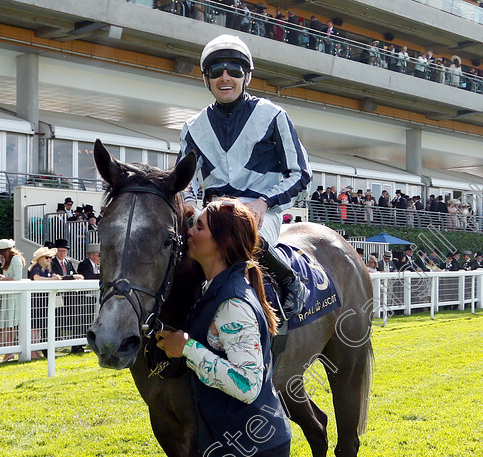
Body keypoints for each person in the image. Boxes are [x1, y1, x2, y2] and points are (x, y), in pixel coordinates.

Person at [177, 34, 312, 318]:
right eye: (216, 71)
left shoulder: (274, 116)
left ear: (246, 76)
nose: (225, 77)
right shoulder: (192, 127)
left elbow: (301, 173)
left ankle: (290, 281)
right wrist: (190, 206)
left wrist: (264, 202)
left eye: (234, 70)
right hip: (211, 212)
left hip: (262, 210)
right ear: (207, 79)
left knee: (242, 237)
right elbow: (185, 180)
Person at [156, 199, 292, 456]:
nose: (190, 232)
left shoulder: (232, 303)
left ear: (224, 242)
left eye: (199, 227)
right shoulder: (211, 288)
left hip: (254, 447)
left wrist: (187, 348)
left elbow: (248, 384)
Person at [0, 239, 25, 363]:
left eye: (1, 252)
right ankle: (2, 352)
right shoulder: (9, 260)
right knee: (4, 324)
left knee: (8, 324)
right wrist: (1, 278)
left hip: (13, 296)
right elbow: (10, 277)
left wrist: (0, 280)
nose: (0, 255)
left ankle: (5, 352)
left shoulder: (15, 259)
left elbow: (17, 279)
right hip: (7, 295)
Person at [28, 246, 61, 359]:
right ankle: (32, 351)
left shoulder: (47, 269)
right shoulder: (35, 267)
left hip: (44, 301)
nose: (49, 260)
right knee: (33, 326)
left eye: (50, 258)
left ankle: (36, 351)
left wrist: (55, 277)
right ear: (41, 258)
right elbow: (36, 278)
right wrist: (51, 280)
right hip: (35, 301)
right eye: (47, 257)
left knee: (39, 326)